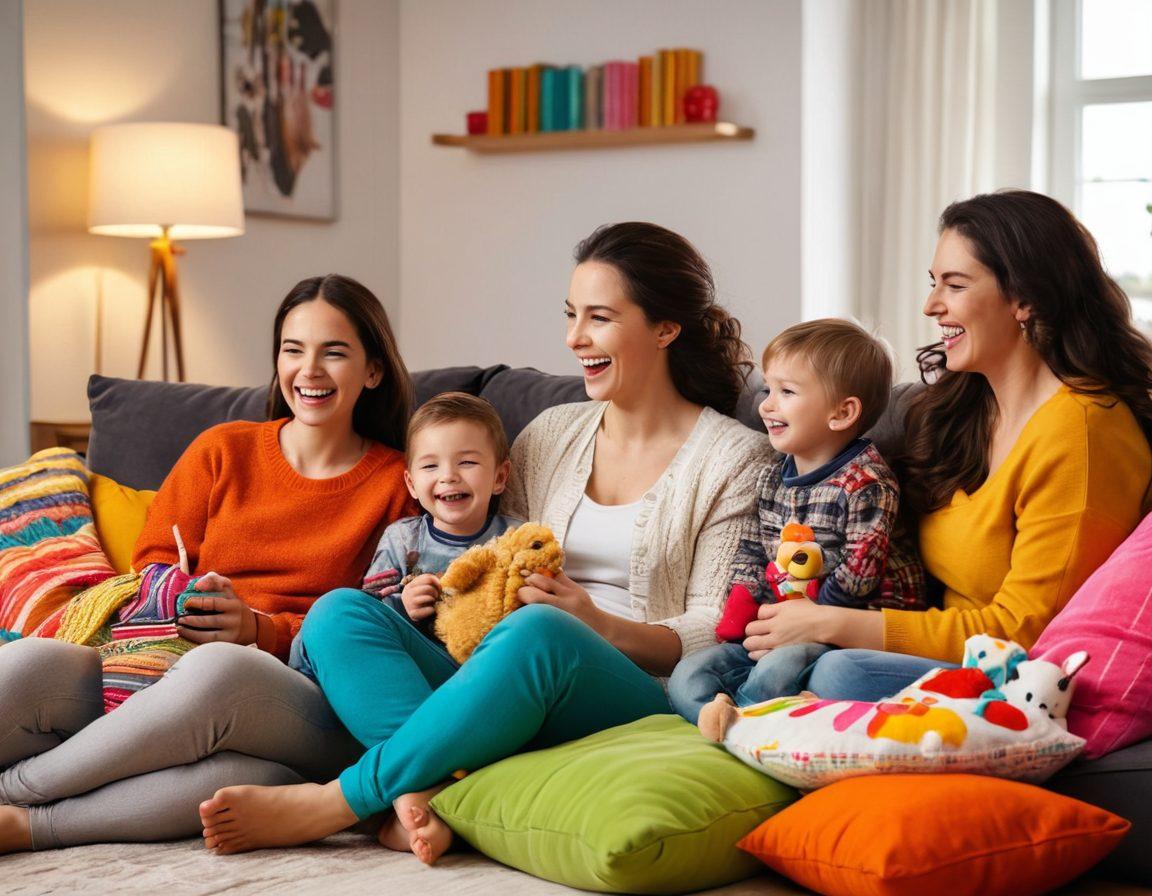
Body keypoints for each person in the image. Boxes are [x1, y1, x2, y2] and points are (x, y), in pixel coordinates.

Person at [195, 221, 774, 863]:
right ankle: (433, 789)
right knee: (339, 612)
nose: (574, 338)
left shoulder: (734, 459)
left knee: (540, 633)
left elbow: (716, 632)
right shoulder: (551, 434)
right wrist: (431, 600)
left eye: (599, 318)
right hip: (496, 677)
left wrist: (597, 624)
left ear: (665, 328)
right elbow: (489, 563)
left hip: (633, 688)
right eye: (570, 314)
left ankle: (337, 801)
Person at [0, 274, 416, 853]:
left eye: (334, 352)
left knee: (218, 672)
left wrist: (257, 629)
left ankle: (19, 804)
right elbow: (148, 565)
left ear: (373, 371)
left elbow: (387, 627)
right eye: (293, 350)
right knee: (29, 665)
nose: (310, 371)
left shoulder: (402, 484)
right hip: (165, 668)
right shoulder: (223, 450)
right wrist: (184, 593)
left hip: (307, 697)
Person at [739, 190, 1152, 702]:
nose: (931, 306)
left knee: (840, 675)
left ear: (1026, 299)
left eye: (954, 285)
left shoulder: (1084, 433)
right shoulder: (965, 408)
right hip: (927, 647)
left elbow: (1025, 632)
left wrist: (833, 623)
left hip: (1012, 674)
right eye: (933, 284)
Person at [668, 319, 926, 724]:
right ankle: (722, 720)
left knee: (774, 672)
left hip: (846, 627)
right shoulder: (772, 475)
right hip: (784, 622)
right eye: (768, 389)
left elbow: (861, 571)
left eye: (786, 392)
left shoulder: (867, 482)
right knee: (689, 675)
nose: (766, 405)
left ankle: (749, 724)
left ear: (841, 413)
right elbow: (752, 549)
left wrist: (811, 619)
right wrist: (742, 610)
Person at [289, 391, 521, 680]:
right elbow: (370, 606)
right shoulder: (403, 538)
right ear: (411, 484)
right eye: (430, 465)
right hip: (415, 664)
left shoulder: (514, 538)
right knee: (337, 615)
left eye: (467, 463)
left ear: (500, 477)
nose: (448, 476)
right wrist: (403, 603)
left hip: (486, 670)